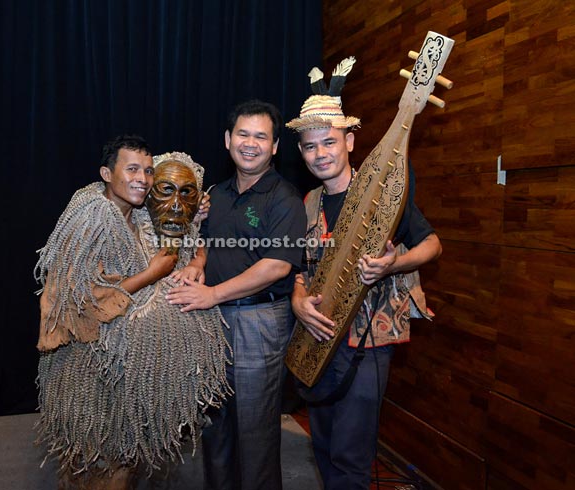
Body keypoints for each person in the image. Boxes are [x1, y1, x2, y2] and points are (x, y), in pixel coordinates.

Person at [34, 135, 231, 490]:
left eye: (147, 170)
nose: (142, 178)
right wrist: (149, 276)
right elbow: (78, 302)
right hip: (93, 375)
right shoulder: (94, 215)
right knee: (99, 468)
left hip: (123, 378)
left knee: (122, 464)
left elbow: (182, 243)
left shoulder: (137, 214)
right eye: (132, 169)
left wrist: (197, 252)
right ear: (107, 174)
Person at [286, 61, 442, 489]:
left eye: (329, 142)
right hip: (319, 338)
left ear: (350, 142)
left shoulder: (385, 192)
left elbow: (432, 245)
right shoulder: (308, 202)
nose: (320, 154)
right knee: (322, 448)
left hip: (367, 344)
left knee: (352, 457)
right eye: (309, 146)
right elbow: (300, 267)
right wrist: (298, 299)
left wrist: (394, 263)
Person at [166, 100, 307, 490]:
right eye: (243, 134)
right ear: (228, 140)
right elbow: (210, 244)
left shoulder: (284, 199)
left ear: (275, 146)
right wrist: (197, 263)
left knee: (255, 430)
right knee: (214, 422)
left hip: (258, 321)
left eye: (261, 136)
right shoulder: (218, 193)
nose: (250, 143)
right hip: (213, 319)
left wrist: (212, 294)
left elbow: (276, 266)